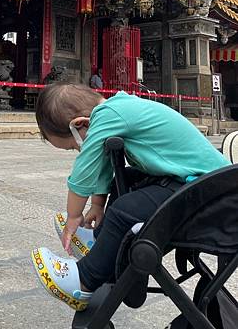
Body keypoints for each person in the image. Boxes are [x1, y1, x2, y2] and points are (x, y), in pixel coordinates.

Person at [30, 83, 230, 311]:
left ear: (80, 124)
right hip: (202, 186)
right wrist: (97, 204)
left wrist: (73, 216)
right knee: (125, 179)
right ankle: (100, 242)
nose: (78, 150)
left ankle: (84, 280)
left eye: (72, 147)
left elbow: (86, 168)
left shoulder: (106, 116)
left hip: (209, 192)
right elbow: (103, 163)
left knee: (126, 209)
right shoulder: (118, 108)